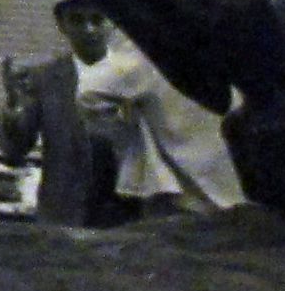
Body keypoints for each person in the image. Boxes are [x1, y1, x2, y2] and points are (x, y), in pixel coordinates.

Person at [75, 21, 247, 216]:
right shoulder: (224, 49)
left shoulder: (144, 56)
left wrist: (126, 126)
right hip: (232, 183)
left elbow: (88, 92)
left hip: (183, 190)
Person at [0, 0, 136, 227]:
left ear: (113, 22)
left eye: (97, 19)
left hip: (121, 222)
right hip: (62, 221)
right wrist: (13, 106)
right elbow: (13, 151)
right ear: (61, 24)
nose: (89, 29)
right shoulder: (45, 79)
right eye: (77, 20)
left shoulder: (135, 79)